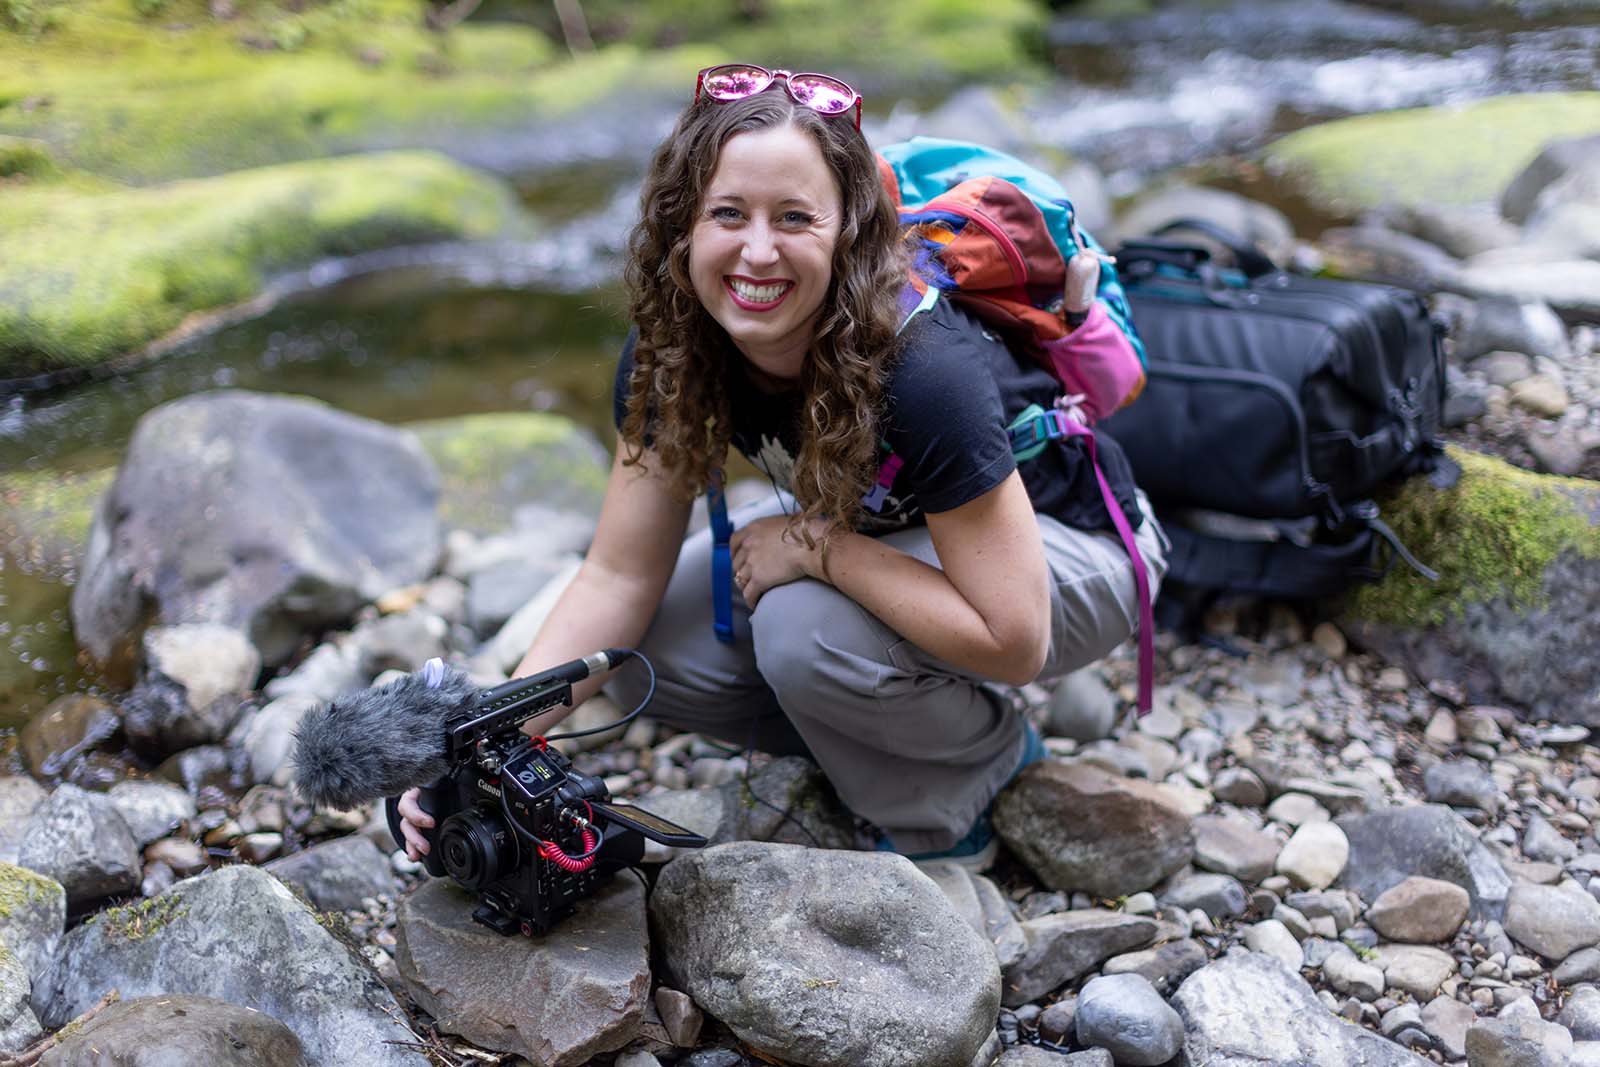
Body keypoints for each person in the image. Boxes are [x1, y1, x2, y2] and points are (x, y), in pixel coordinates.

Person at [397, 63, 1169, 868]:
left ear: (849, 231)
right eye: (727, 213)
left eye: (795, 217)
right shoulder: (673, 349)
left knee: (801, 626)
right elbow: (617, 579)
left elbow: (1015, 639)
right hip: (910, 546)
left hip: (1071, 553)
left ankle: (977, 777)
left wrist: (818, 548)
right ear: (683, 224)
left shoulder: (923, 368)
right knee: (643, 645)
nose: (757, 253)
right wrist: (476, 747)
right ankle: (885, 732)